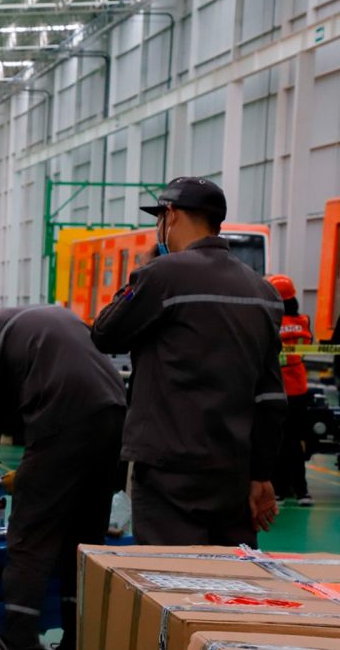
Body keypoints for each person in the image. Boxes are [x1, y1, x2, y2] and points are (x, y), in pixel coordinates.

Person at [91, 176, 285, 547]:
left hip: (168, 469)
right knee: (226, 575)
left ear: (172, 214)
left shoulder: (161, 275)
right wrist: (260, 474)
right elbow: (271, 398)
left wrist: (141, 276)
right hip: (233, 471)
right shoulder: (263, 292)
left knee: (170, 574)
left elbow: (104, 333)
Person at [0, 296, 125, 650]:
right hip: (115, 416)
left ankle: (19, 641)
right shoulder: (45, 317)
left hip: (63, 419)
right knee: (83, 540)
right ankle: (78, 638)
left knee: (30, 538)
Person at [267, 274, 314, 507]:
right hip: (299, 390)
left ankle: (279, 490)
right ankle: (302, 490)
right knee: (295, 441)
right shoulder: (303, 321)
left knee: (276, 441)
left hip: (276, 389)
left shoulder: (271, 322)